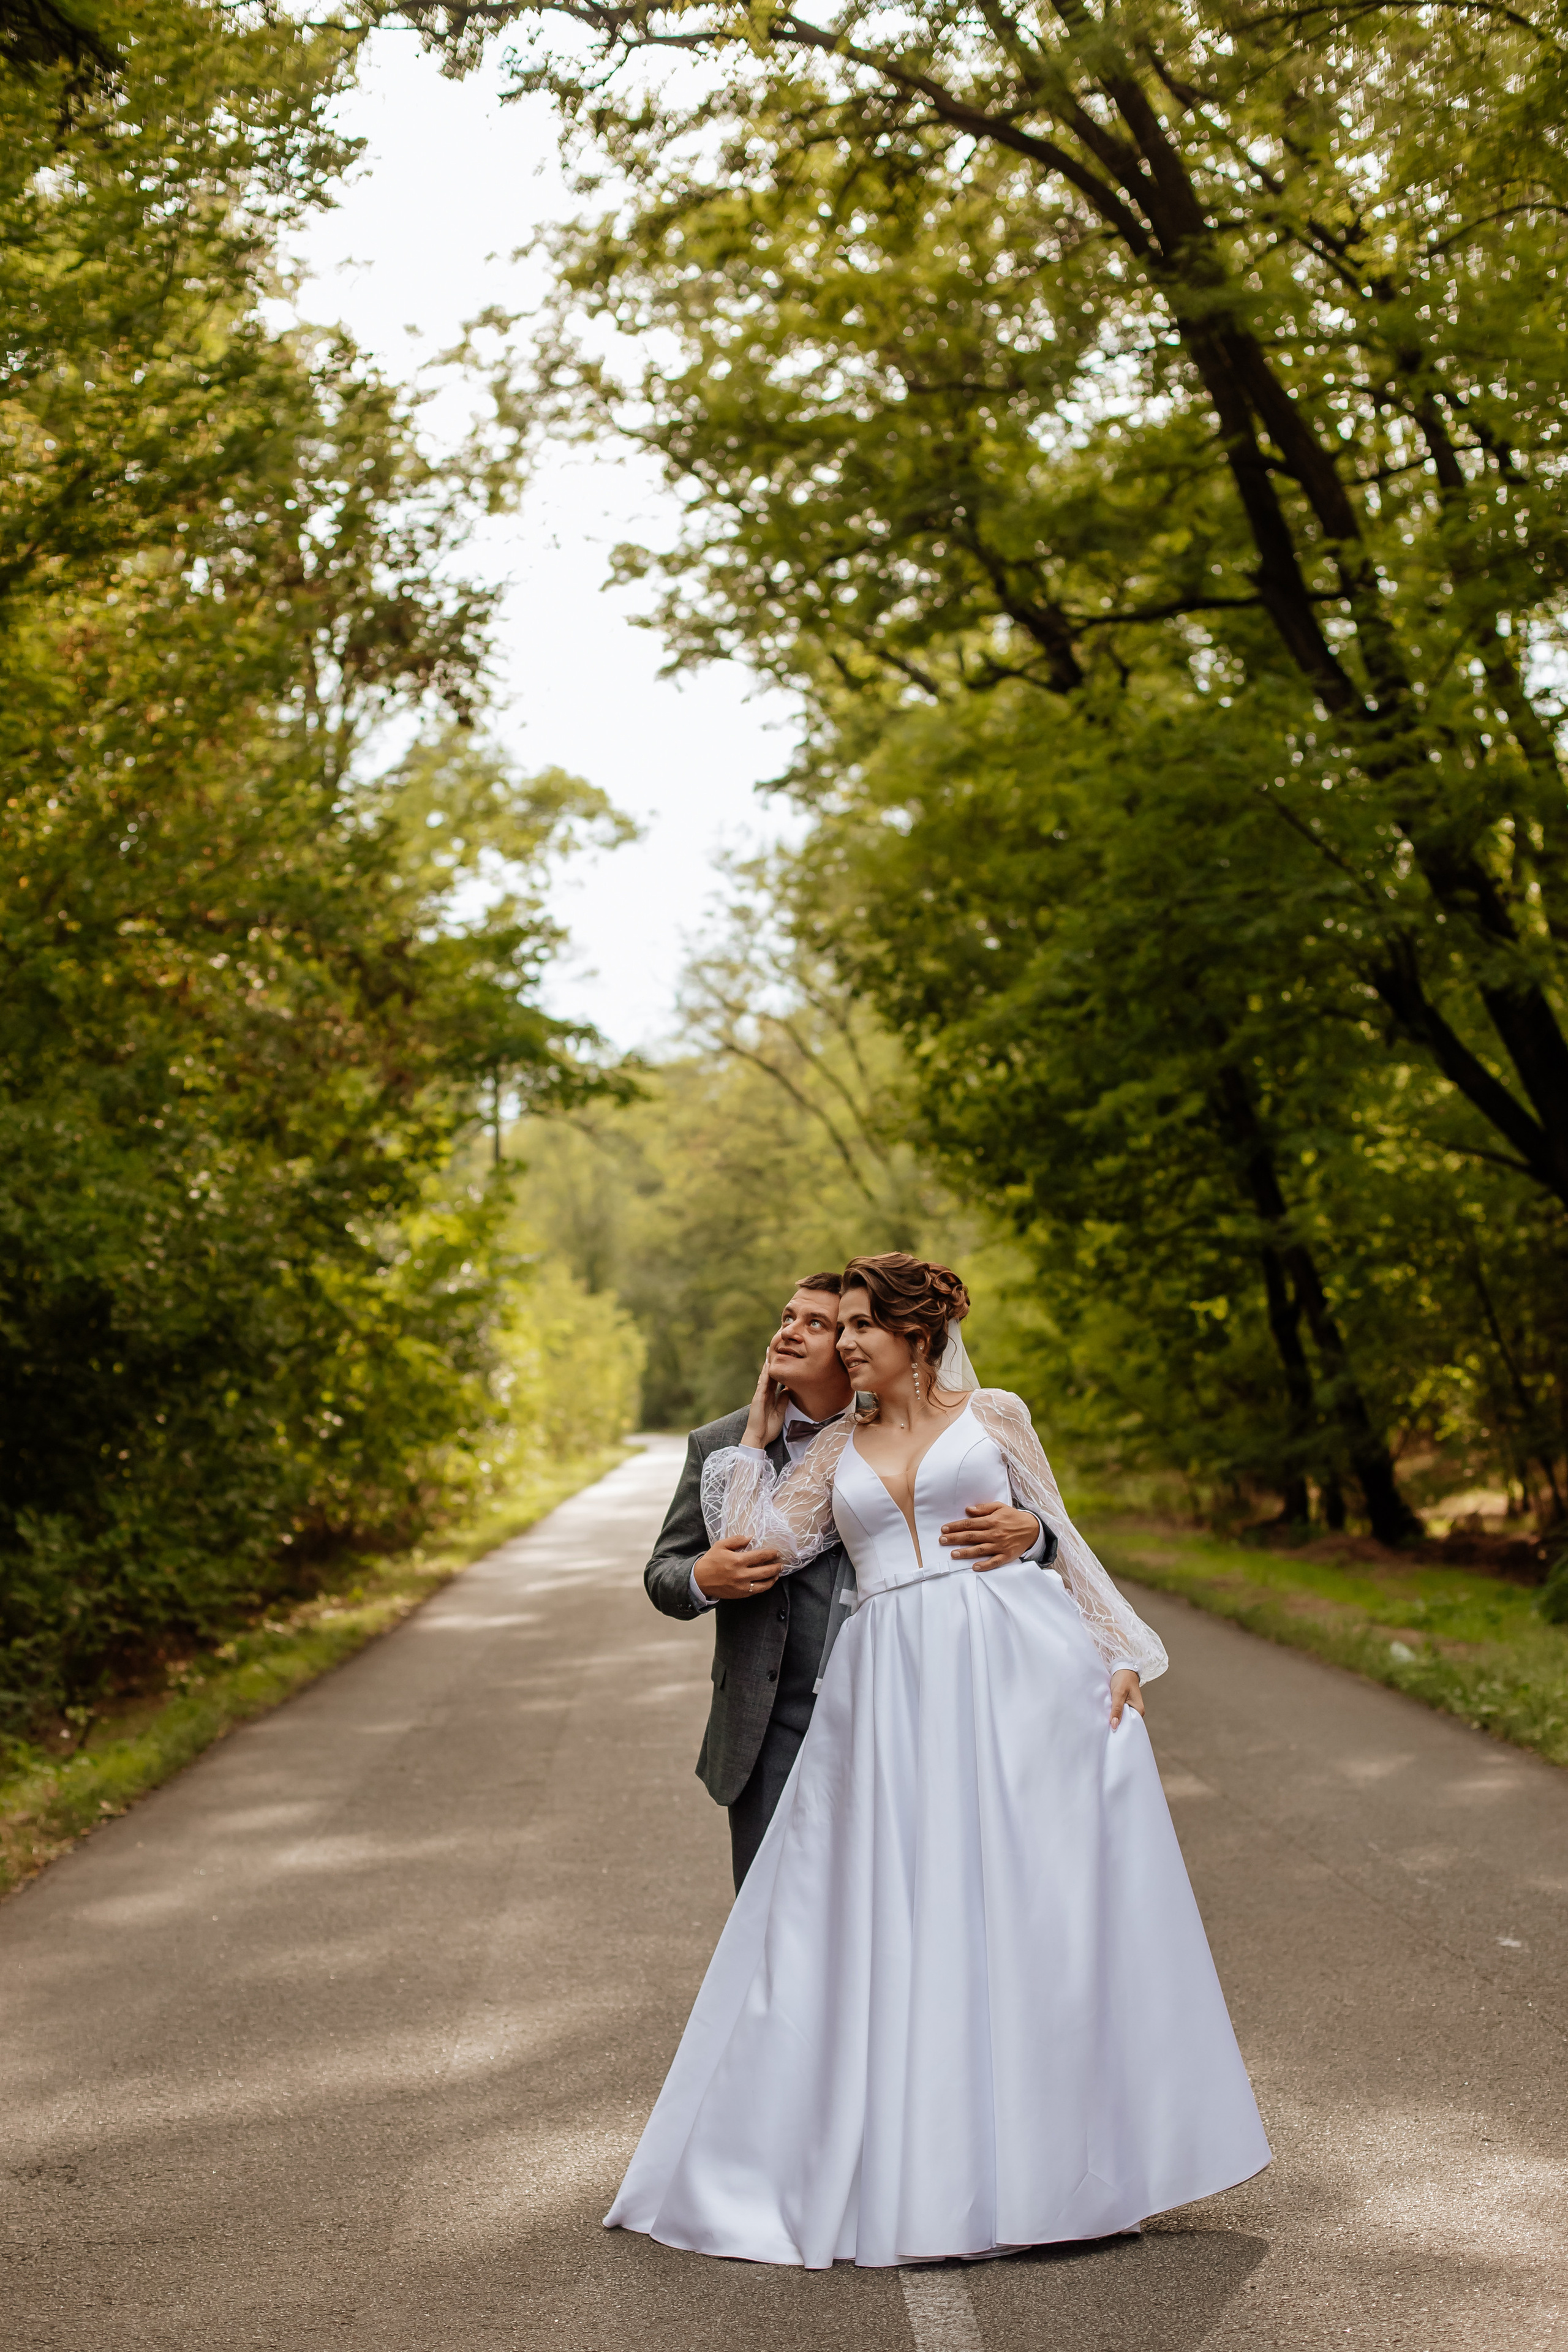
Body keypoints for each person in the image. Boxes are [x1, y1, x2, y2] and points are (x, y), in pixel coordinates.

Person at [608, 1253, 1270, 2269]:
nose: (845, 1341)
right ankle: (920, 2160)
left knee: (1035, 1905)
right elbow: (756, 1547)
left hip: (1020, 1667)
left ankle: (1066, 2170)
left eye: (863, 1325)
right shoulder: (838, 1449)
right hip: (891, 1683)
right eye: (842, 1326)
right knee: (912, 1910)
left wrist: (1117, 1647)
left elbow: (1064, 1533)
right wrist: (750, 1436)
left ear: (918, 1336)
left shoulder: (995, 1411)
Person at [644, 1271, 1050, 1888]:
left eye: (817, 1324)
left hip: (896, 1706)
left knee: (889, 1907)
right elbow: (664, 1570)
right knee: (771, 1917)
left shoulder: (902, 1430)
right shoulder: (721, 1442)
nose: (789, 1332)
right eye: (786, 1317)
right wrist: (702, 1575)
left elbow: (1030, 1525)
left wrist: (1033, 1532)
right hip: (768, 1724)